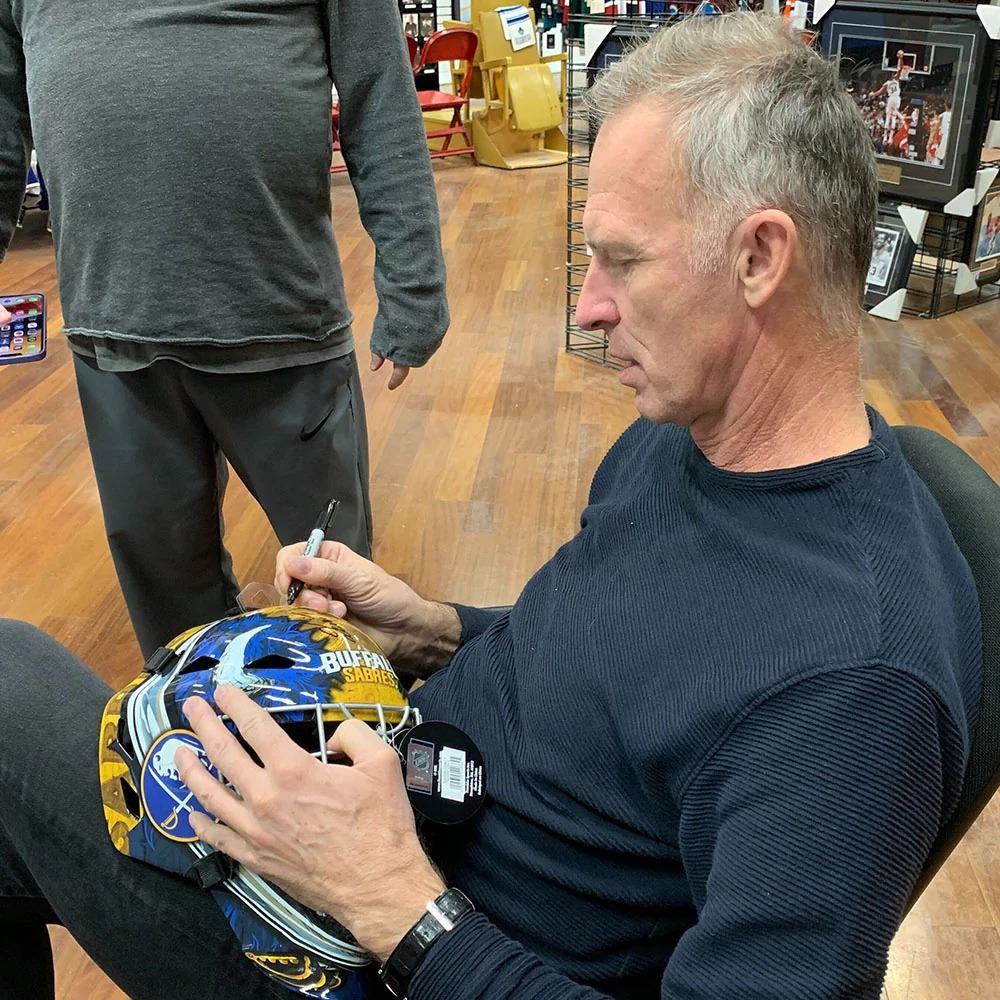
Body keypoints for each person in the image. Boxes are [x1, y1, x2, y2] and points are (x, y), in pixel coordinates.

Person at [0, 13, 981, 1000]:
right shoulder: (691, 432)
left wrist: (393, 899)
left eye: (623, 260)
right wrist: (433, 630)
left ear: (760, 257)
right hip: (397, 820)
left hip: (389, 948)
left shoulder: (854, 695)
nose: (590, 306)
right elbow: (627, 667)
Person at [0, 0, 449, 657]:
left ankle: (344, 713)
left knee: (335, 593)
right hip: (113, 336)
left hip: (281, 326)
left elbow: (378, 92)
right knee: (170, 603)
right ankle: (195, 709)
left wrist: (415, 286)